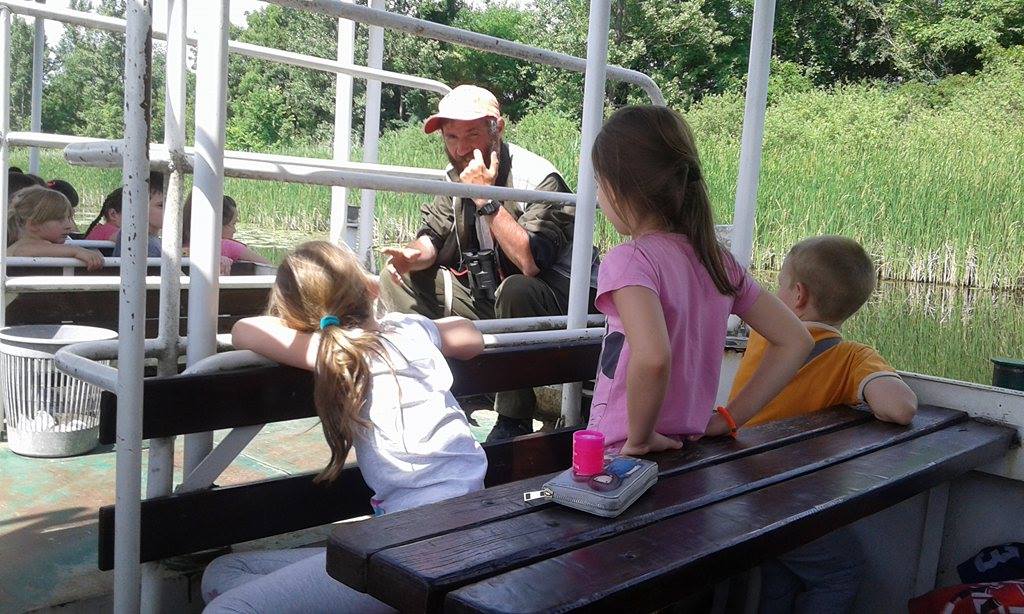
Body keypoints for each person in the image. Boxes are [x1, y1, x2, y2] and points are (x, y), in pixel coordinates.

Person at [202, 241, 487, 613]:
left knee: (228, 607)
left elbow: (244, 330)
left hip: (417, 548)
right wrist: (414, 317)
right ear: (369, 290)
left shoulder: (339, 352)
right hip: (470, 525)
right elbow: (471, 337)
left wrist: (309, 327)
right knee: (223, 572)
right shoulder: (408, 330)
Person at [582, 105, 812, 456]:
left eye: (599, 183)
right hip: (687, 450)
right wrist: (729, 418)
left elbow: (653, 357)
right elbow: (795, 339)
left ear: (618, 188)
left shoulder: (629, 260)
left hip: (623, 451)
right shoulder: (718, 261)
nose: (599, 195)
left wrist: (640, 438)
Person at [379, 84, 596, 442]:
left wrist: (485, 197)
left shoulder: (538, 178)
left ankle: (513, 418)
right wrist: (413, 255)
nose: (460, 149)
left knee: (517, 289)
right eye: (451, 137)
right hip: (492, 299)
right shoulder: (453, 177)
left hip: (560, 305)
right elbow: (432, 234)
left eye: (472, 135)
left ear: (498, 130)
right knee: (395, 279)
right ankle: (444, 390)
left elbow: (530, 261)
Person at [728, 235, 918, 614]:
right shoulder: (851, 358)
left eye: (780, 285)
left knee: (782, 572)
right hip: (784, 501)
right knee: (841, 570)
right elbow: (900, 408)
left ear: (797, 295)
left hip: (736, 486)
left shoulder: (763, 335)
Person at [7, 185, 103, 270]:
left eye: (69, 218)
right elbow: (23, 251)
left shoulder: (44, 245)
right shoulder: (25, 245)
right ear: (34, 225)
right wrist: (76, 251)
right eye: (60, 219)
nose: (69, 226)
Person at [182, 193, 272, 274]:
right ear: (217, 224)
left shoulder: (179, 244)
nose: (234, 230)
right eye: (233, 224)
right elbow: (269, 266)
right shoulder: (227, 246)